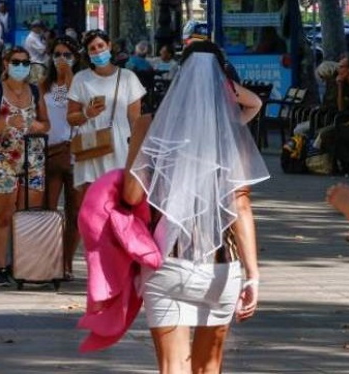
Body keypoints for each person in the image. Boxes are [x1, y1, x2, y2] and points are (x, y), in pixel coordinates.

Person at [122, 40, 266, 374]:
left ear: (178, 75)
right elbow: (240, 205)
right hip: (220, 265)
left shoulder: (149, 124)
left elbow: (131, 195)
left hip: (166, 259)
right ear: (224, 81)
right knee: (208, 368)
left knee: (172, 368)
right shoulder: (229, 131)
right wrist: (253, 277)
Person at [0, 46, 50, 287]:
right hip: (2, 161)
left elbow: (46, 122)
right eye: (16, 62)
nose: (21, 66)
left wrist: (40, 126)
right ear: (6, 64)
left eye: (25, 63)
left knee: (29, 213)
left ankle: (26, 264)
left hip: (33, 159)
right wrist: (7, 122)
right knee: (3, 215)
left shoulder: (35, 92)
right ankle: (0, 266)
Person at [66, 29, 145, 198]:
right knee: (91, 201)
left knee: (118, 198)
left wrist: (138, 152)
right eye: (92, 48)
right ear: (87, 53)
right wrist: (87, 113)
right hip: (90, 144)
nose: (97, 51)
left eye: (100, 46)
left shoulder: (127, 78)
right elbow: (71, 118)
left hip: (120, 145)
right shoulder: (81, 79)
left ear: (109, 46)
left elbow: (135, 120)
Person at [40, 37, 81, 281]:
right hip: (52, 151)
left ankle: (67, 262)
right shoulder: (45, 85)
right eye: (57, 54)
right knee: (49, 208)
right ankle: (49, 260)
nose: (61, 60)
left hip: (77, 152)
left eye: (67, 55)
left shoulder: (83, 83)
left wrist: (71, 78)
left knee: (75, 212)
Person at [23, 20, 47, 84]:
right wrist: (48, 40)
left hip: (39, 64)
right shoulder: (32, 38)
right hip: (35, 65)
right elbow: (44, 50)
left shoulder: (37, 36)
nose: (41, 29)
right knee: (36, 86)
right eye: (40, 27)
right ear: (35, 28)